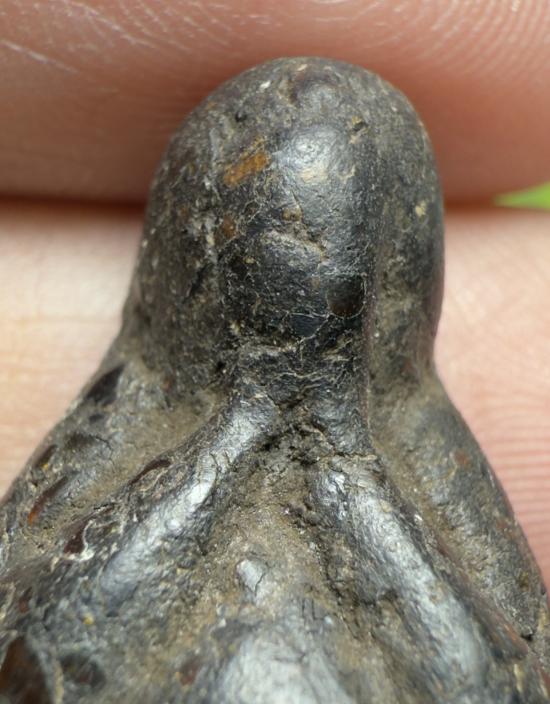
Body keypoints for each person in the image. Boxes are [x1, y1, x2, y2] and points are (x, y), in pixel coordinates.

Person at [0, 0, 549, 593]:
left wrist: (361, 501)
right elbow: (37, 609)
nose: (311, 290)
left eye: (340, 265)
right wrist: (225, 450)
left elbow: (497, 644)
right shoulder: (132, 410)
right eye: (279, 242)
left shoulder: (418, 437)